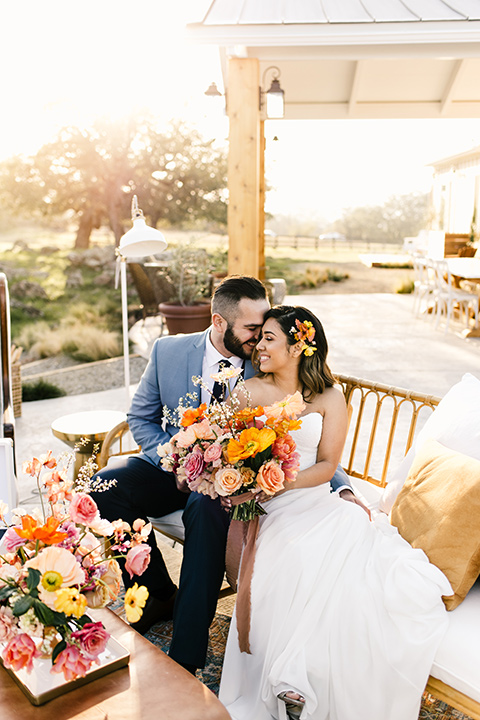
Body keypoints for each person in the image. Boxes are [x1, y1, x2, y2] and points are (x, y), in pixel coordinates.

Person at [91, 277, 357, 675]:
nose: (258, 341)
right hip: (171, 466)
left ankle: (186, 658)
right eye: (252, 330)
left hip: (229, 484)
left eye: (265, 331)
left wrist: (341, 485)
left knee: (206, 507)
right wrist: (178, 459)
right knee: (104, 486)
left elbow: (306, 437)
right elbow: (140, 418)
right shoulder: (168, 351)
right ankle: (159, 593)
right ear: (219, 322)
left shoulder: (269, 362)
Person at [219, 305, 452, 720]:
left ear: (299, 346)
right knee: (297, 555)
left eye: (270, 338)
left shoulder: (329, 396)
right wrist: (249, 485)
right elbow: (225, 456)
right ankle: (291, 678)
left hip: (313, 498)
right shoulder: (247, 392)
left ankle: (308, 678)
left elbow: (327, 464)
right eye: (261, 338)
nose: (259, 346)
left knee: (356, 550)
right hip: (268, 510)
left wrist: (282, 480)